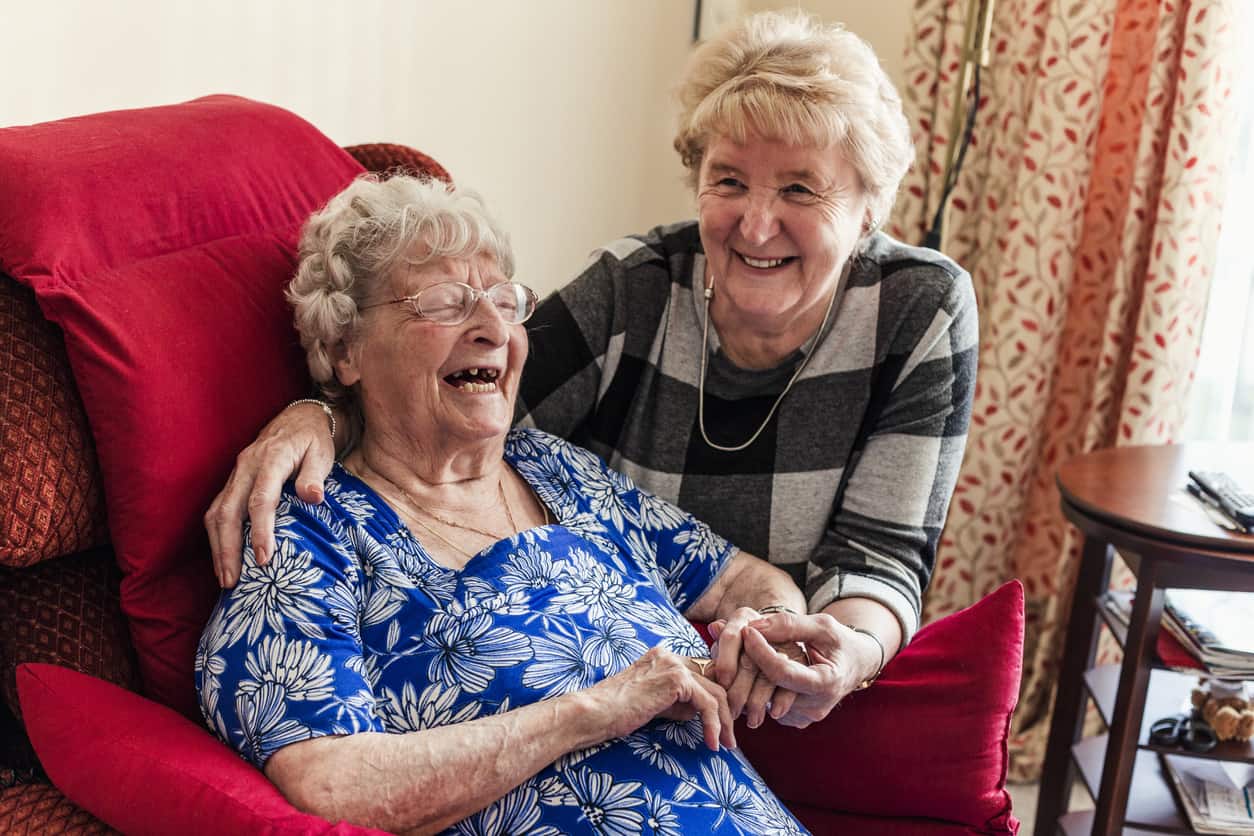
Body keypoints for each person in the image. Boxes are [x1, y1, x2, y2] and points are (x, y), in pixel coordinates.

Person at [205, 10, 977, 732]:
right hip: (633, 675)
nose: (756, 223)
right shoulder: (635, 286)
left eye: (801, 188)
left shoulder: (918, 307)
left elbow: (882, 557)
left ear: (870, 207)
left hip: (805, 677)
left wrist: (845, 651)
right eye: (730, 180)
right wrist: (321, 410)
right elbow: (455, 400)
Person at [197, 174, 811, 834]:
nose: (493, 327)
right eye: (444, 302)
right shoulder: (309, 534)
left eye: (504, 300)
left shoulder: (561, 472)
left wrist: (766, 631)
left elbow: (745, 578)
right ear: (345, 350)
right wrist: (598, 708)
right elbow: (332, 783)